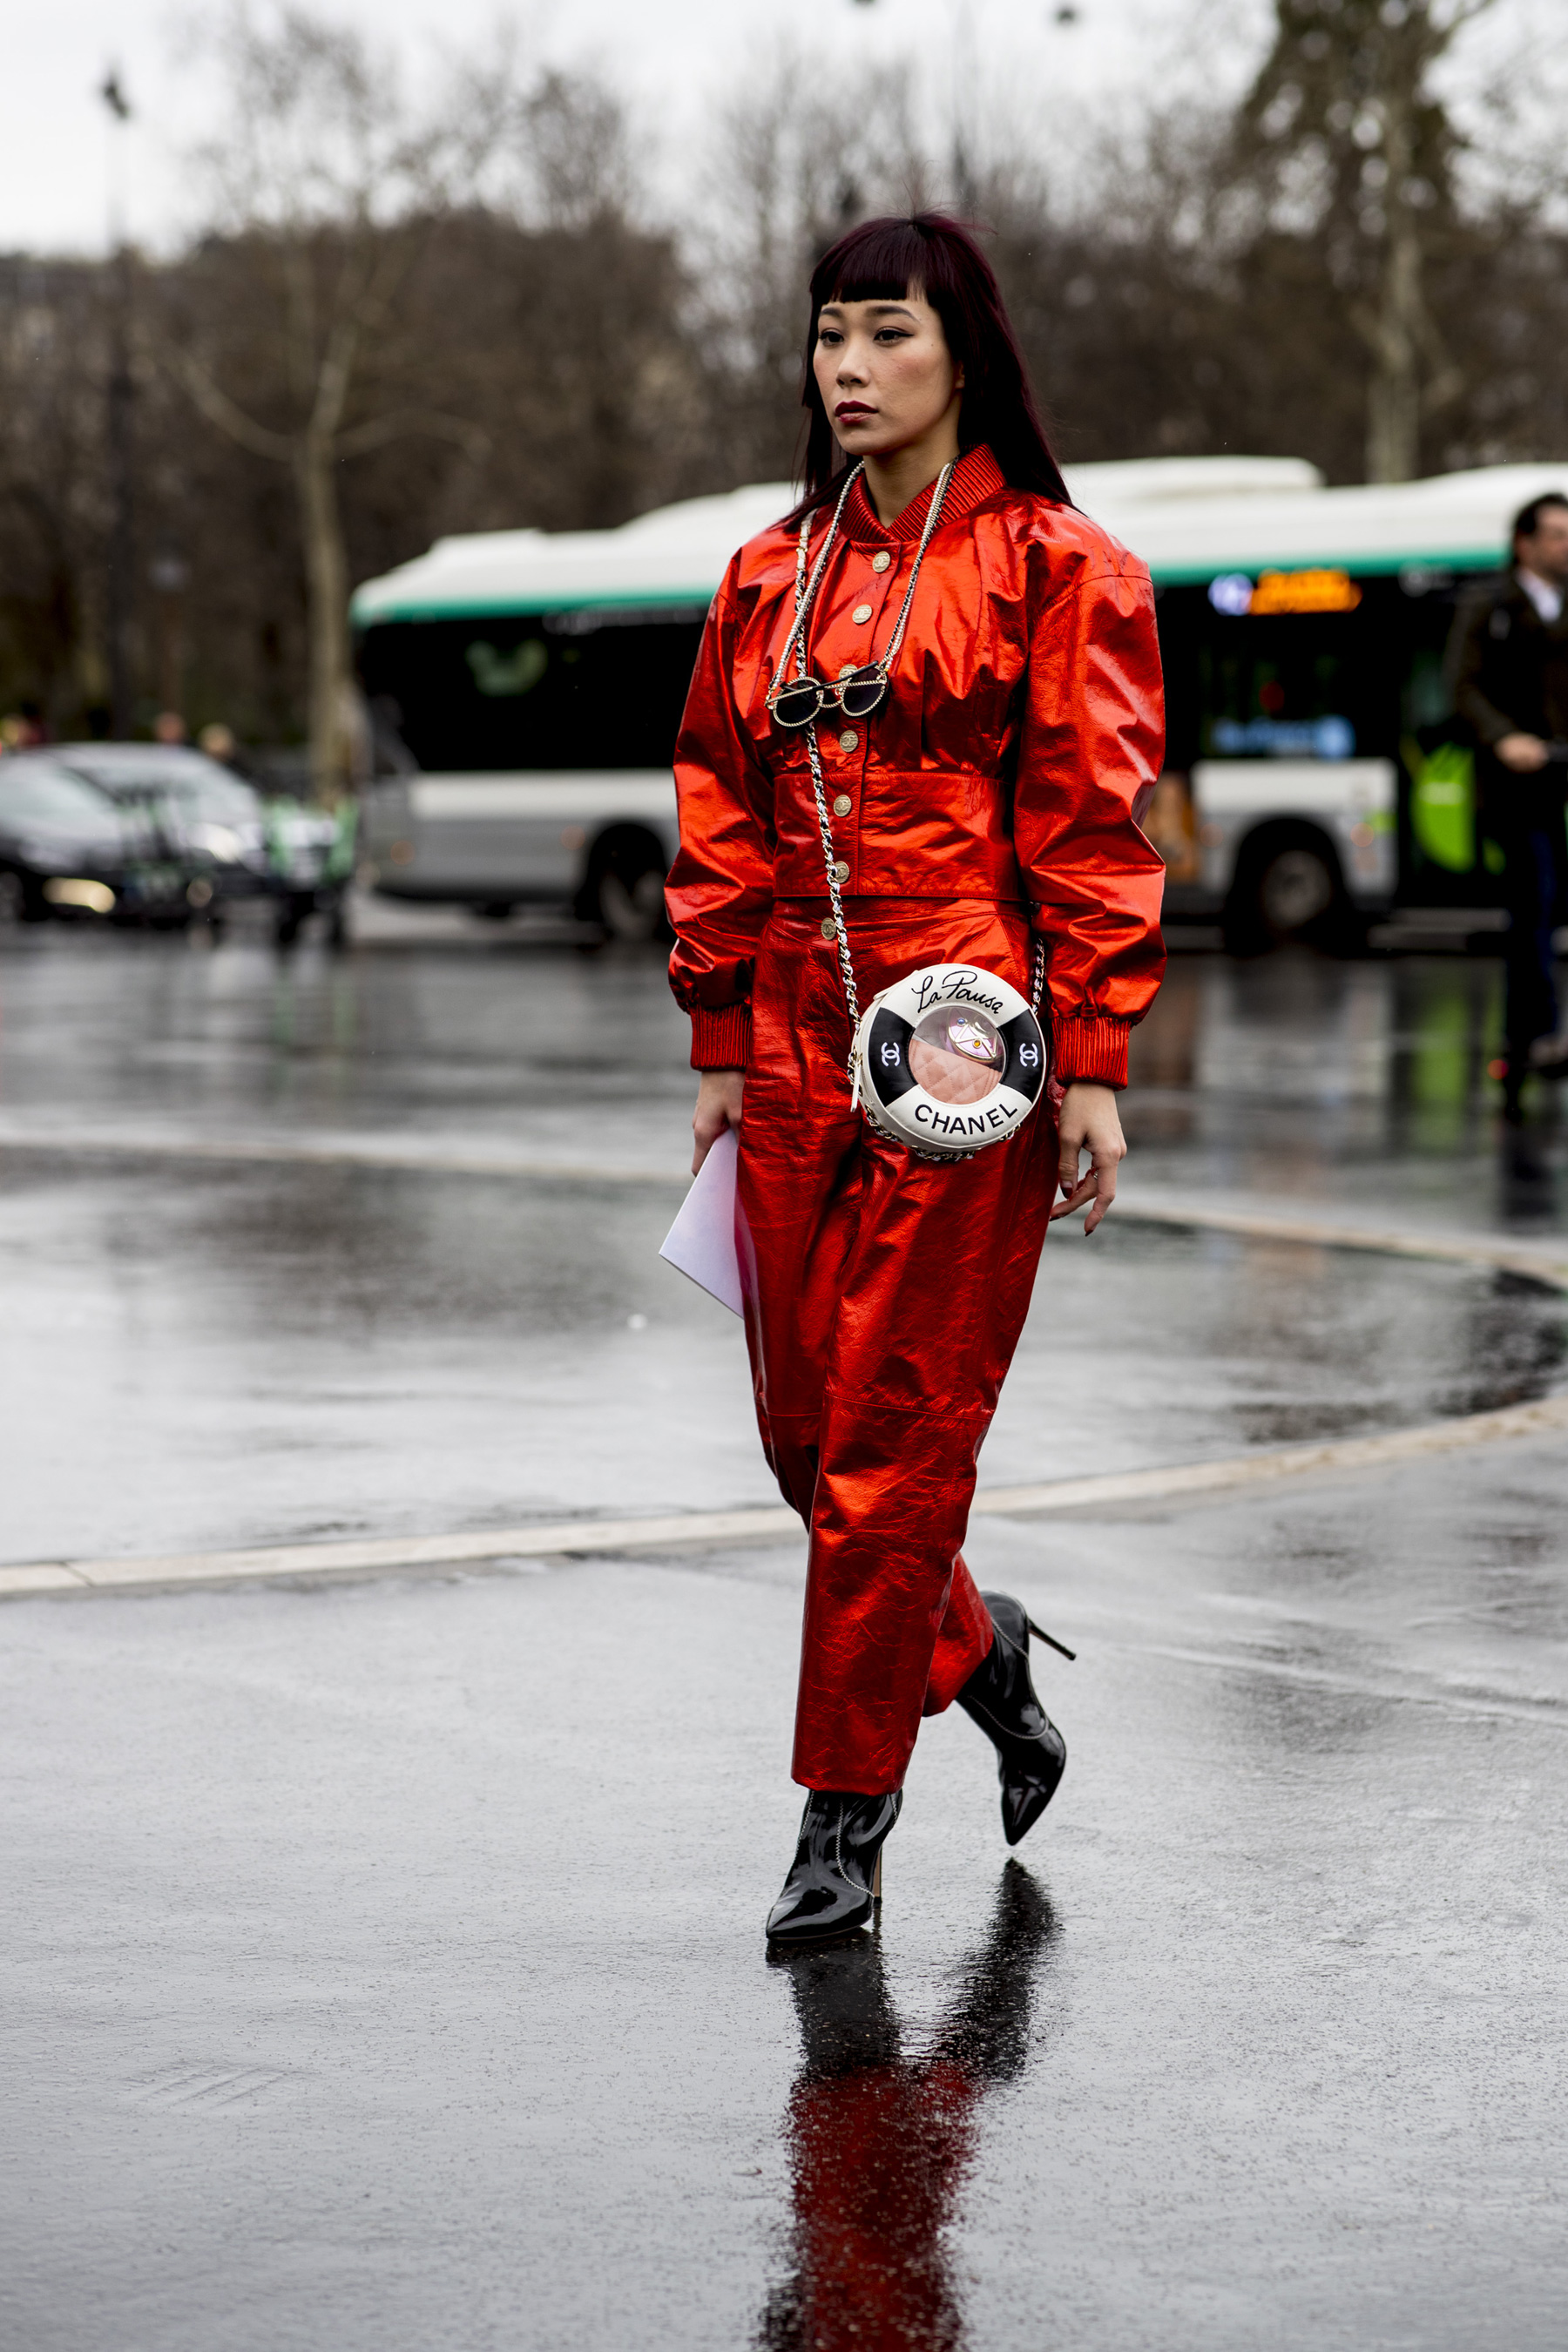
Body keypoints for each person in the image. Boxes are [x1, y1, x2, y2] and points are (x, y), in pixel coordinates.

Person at [666, 213, 1165, 1945]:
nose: (851, 369)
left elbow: (1094, 821)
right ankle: (981, 1649)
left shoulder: (1060, 567)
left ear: (966, 355)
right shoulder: (765, 575)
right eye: (829, 340)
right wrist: (724, 1037)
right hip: (800, 1024)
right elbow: (719, 805)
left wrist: (1090, 1057)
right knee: (808, 1438)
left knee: (892, 1439)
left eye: (886, 335)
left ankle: (840, 1822)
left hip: (971, 1032)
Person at [1448, 491, 1568, 1108]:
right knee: (1537, 901)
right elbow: (1460, 688)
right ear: (1524, 543)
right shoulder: (1488, 605)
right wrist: (1505, 740)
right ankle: (1541, 1033)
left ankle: (1521, 1043)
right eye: (1555, 534)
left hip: (1558, 783)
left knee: (1542, 915)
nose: (1564, 546)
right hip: (1513, 791)